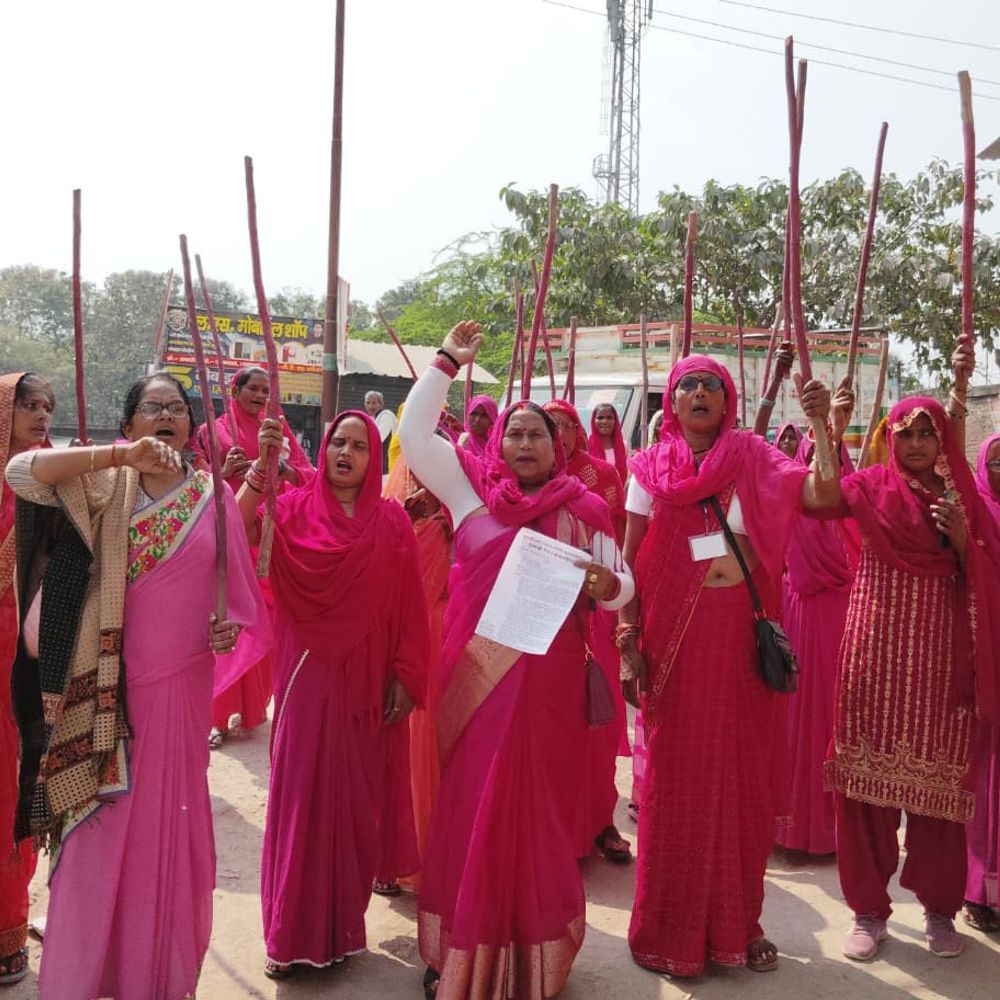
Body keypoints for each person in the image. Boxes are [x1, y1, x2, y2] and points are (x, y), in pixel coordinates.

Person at [6, 372, 265, 1000]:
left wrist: (225, 630)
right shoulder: (99, 486)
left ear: (192, 425)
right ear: (129, 426)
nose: (166, 418)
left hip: (178, 696)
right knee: (96, 843)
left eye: (177, 409)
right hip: (101, 699)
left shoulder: (214, 498)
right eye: (151, 410)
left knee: (166, 846)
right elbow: (20, 471)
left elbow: (238, 603)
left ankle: (152, 979)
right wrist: (121, 458)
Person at [399, 322, 633, 999]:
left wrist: (600, 583)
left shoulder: (583, 508)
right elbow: (416, 438)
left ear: (558, 449)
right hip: (475, 689)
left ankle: (531, 958)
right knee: (470, 809)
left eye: (538, 434)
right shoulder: (471, 498)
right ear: (496, 443)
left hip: (545, 691)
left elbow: (622, 585)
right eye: (515, 432)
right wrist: (445, 361)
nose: (525, 442)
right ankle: (460, 953)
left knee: (535, 813)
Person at [619, 354, 837, 977]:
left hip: (740, 642)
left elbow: (823, 497)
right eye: (686, 384)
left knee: (741, 780)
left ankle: (740, 924)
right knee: (673, 785)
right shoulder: (647, 470)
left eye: (711, 385)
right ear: (671, 400)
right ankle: (668, 928)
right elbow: (631, 562)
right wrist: (628, 641)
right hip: (673, 646)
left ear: (728, 400)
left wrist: (822, 426)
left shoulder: (757, 458)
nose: (698, 393)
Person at [814, 397, 1000, 961]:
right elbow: (818, 500)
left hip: (942, 660)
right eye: (906, 433)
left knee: (938, 795)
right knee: (866, 789)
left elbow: (990, 573)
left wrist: (967, 543)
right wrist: (827, 427)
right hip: (874, 650)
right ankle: (868, 911)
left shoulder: (963, 498)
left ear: (943, 440)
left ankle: (939, 912)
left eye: (927, 432)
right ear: (889, 437)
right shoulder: (868, 485)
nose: (916, 443)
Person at [247, 409, 428, 979]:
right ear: (322, 452)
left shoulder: (394, 522)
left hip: (370, 678)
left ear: (376, 458)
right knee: (301, 797)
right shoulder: (293, 509)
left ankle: (343, 930)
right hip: (307, 673)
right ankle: (287, 932)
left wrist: (405, 672)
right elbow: (240, 540)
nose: (345, 454)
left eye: (358, 445)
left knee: (355, 804)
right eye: (336, 444)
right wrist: (260, 469)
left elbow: (409, 605)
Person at [193, 365, 313, 748]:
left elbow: (305, 474)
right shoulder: (213, 431)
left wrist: (281, 466)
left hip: (266, 540)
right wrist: (220, 471)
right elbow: (195, 483)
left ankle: (249, 709)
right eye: (253, 389)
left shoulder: (276, 429)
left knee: (265, 623)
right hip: (228, 536)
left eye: (266, 389)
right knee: (229, 623)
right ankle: (215, 715)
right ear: (235, 389)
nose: (261, 396)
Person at [543, 398, 631, 864]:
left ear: (578, 431)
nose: (557, 433)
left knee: (598, 724)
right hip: (542, 618)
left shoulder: (602, 477)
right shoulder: (521, 485)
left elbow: (616, 541)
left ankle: (600, 821)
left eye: (564, 425)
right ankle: (550, 831)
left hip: (593, 614)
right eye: (547, 425)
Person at [775, 393, 858, 856]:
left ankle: (832, 829)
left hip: (839, 614)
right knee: (793, 717)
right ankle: (791, 824)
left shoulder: (851, 495)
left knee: (833, 717)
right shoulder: (790, 491)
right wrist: (824, 426)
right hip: (796, 609)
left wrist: (833, 426)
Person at [0, 373, 52, 987]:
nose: (41, 414)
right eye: (28, 404)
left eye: (48, 407)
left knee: (16, 781)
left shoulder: (47, 484)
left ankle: (10, 921)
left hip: (25, 661)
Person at [382, 459, 453, 891]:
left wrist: (447, 519)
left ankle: (434, 851)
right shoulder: (392, 501)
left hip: (446, 632)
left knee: (436, 739)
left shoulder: (460, 499)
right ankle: (393, 856)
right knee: (398, 740)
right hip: (400, 635)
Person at [965, 432, 1000, 933]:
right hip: (983, 651)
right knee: (983, 775)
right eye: (996, 461)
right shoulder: (972, 514)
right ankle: (981, 891)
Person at [589, 402, 628, 482]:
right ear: (593, 420)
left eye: (609, 418)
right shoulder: (586, 443)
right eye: (600, 418)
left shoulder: (623, 445)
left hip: (617, 491)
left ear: (615, 420)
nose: (605, 421)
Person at [365, 390, 398, 474]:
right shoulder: (373, 418)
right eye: (368, 403)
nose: (370, 406)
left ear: (381, 404)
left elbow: (378, 438)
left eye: (374, 403)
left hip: (387, 464)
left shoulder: (386, 416)